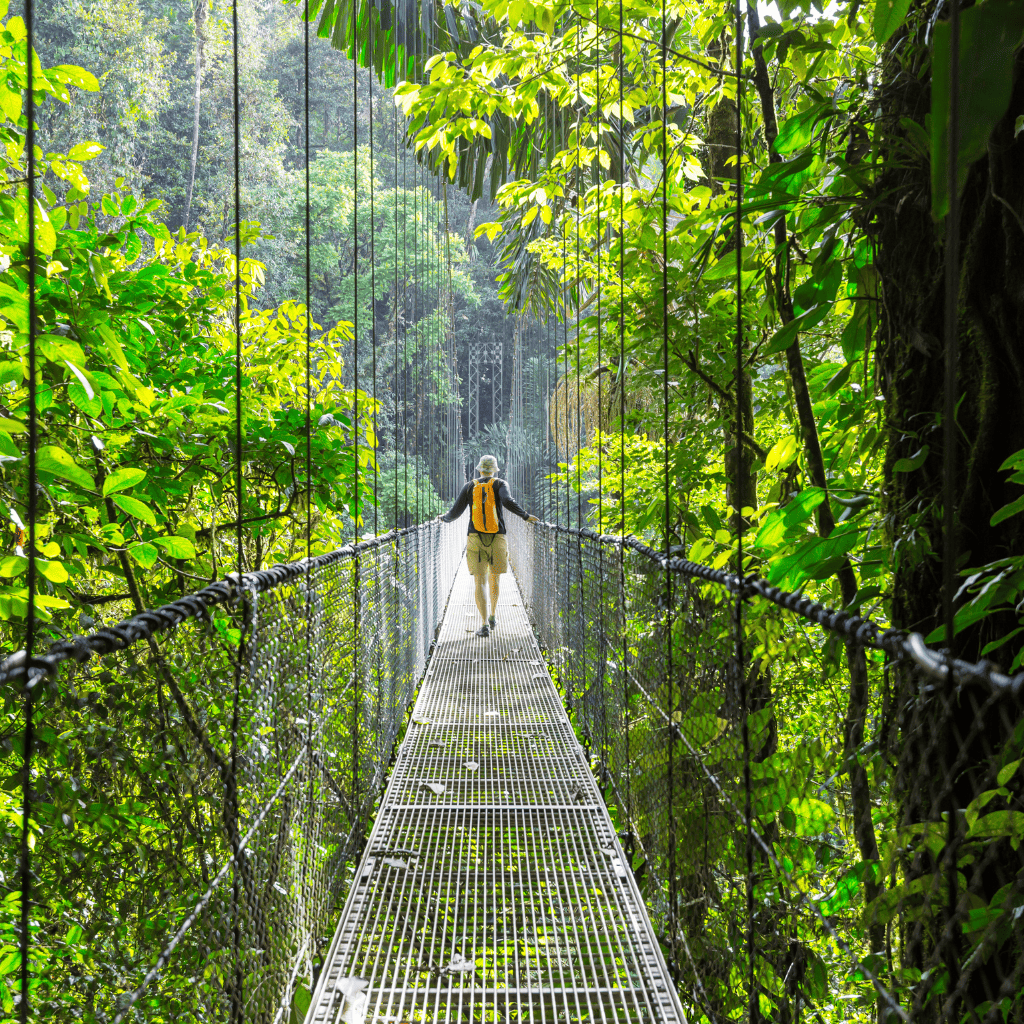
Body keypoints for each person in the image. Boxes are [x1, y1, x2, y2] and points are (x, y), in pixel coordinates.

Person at [437, 454, 538, 637]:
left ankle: (483, 624)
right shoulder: (500, 484)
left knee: (479, 581)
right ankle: (492, 615)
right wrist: (525, 515)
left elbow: (456, 512)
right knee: (495, 578)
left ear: (479, 469)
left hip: (475, 537)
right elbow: (507, 502)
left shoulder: (469, 486)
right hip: (497, 537)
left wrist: (444, 518)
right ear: (495, 470)